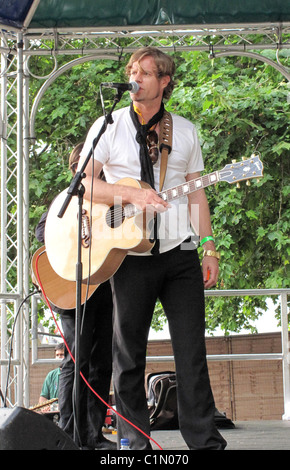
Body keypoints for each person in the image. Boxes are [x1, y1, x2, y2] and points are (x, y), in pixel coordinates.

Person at [78, 46, 227, 450]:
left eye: (145, 73)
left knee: (191, 352)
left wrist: (209, 248)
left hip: (180, 253)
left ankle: (205, 443)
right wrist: (133, 198)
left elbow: (197, 197)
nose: (136, 78)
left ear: (164, 81)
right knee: (128, 357)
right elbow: (85, 184)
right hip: (128, 255)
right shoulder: (107, 127)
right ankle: (135, 444)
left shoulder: (186, 131)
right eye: (132, 71)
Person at [35, 144, 116, 450]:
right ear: (74, 171)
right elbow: (44, 233)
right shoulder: (65, 201)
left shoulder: (110, 203)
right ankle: (69, 435)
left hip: (104, 287)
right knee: (76, 359)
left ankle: (93, 435)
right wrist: (77, 234)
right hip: (71, 289)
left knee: (102, 361)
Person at [38, 342, 65, 409]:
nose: (59, 357)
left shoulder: (75, 373)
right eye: (57, 355)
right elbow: (43, 397)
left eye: (62, 355)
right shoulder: (51, 375)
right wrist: (46, 407)